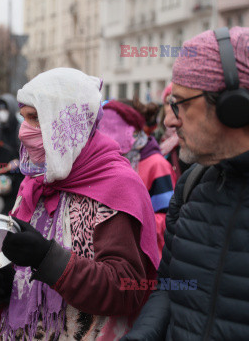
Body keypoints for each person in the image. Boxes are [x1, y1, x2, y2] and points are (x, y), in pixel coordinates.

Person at [0, 68, 160, 340]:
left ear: (67, 122)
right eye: (23, 118)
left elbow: (128, 288)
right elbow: (17, 282)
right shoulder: (34, 182)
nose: (25, 130)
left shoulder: (117, 185)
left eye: (36, 118)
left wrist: (48, 260)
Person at [123, 26, 249, 340]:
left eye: (181, 104)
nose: (168, 120)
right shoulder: (191, 185)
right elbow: (169, 288)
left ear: (233, 106)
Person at [98, 100, 176, 257]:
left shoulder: (156, 165)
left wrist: (127, 224)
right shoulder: (108, 162)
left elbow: (169, 219)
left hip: (146, 260)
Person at [159, 82, 191, 179]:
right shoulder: (158, 137)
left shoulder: (191, 140)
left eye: (175, 102)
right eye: (167, 103)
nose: (170, 107)